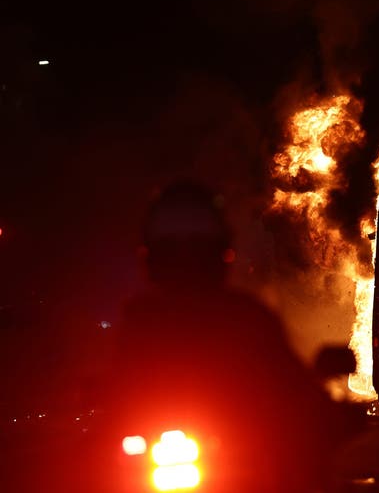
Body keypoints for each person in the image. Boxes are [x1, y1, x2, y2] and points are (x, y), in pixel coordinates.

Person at [101, 181, 333, 492]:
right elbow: (114, 395)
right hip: (155, 462)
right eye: (174, 251)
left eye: (195, 250)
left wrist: (324, 412)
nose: (185, 263)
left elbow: (294, 390)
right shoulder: (140, 320)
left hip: (245, 469)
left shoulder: (248, 317)